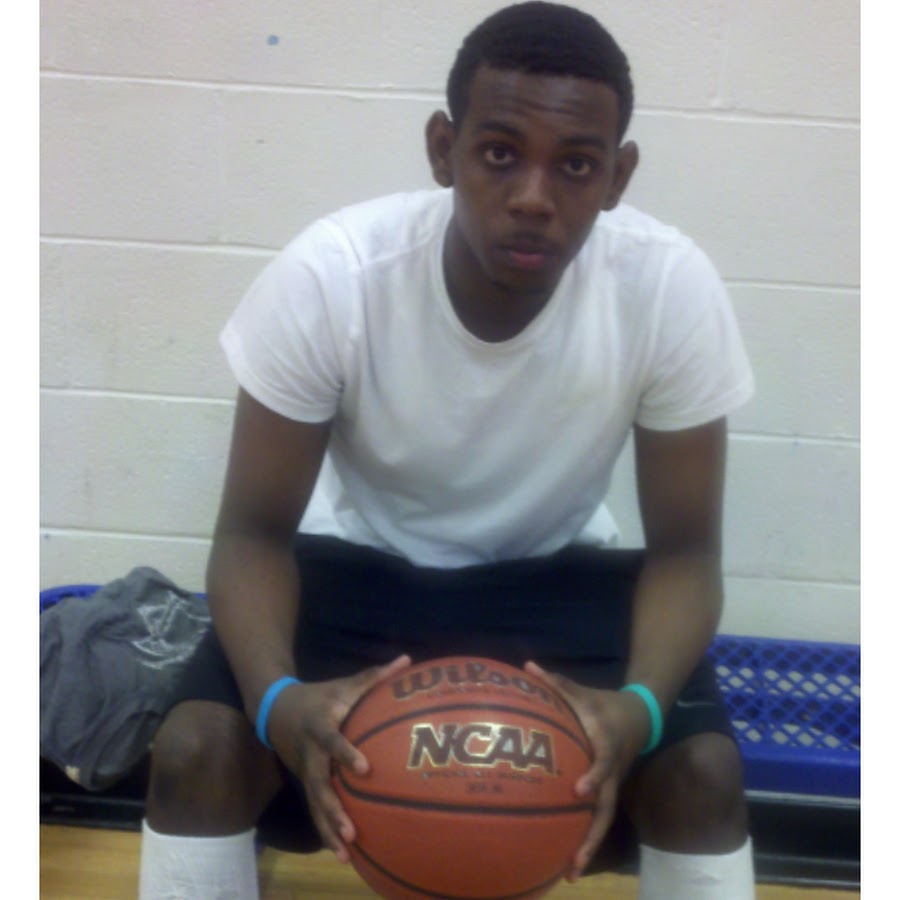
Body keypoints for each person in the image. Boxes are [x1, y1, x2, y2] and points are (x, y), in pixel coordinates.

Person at [138, 3, 757, 897]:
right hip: (357, 570)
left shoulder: (667, 287)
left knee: (705, 775)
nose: (534, 196)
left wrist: (641, 713)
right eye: (500, 153)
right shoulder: (333, 276)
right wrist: (277, 703)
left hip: (557, 578)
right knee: (196, 749)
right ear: (443, 150)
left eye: (576, 164)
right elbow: (251, 536)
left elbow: (688, 554)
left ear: (617, 176)